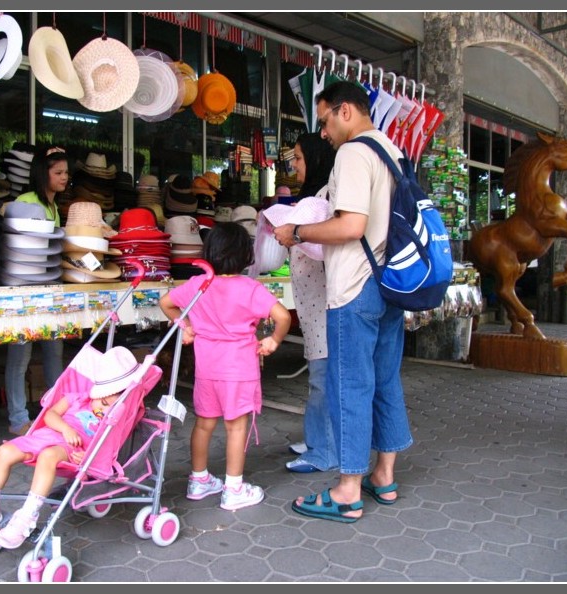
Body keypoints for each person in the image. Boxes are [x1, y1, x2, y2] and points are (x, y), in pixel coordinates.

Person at [273, 80, 413, 523]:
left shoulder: (354, 153)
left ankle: (348, 489)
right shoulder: (392, 149)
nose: (323, 131)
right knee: (385, 379)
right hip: (390, 283)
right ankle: (384, 477)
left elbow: (351, 225)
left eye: (325, 119)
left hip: (354, 286)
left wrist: (297, 232)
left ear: (346, 111)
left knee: (349, 384)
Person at [159, 222, 292, 511]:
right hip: (239, 371)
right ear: (246, 254)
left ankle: (198, 480)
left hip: (206, 369)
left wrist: (187, 326)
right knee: (235, 428)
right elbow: (283, 317)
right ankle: (233, 488)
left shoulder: (198, 284)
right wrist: (273, 341)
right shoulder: (250, 288)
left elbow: (165, 302)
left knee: (204, 424)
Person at [0, 346, 141, 549]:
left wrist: (90, 458)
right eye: (102, 401)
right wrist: (65, 428)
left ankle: (28, 514)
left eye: (109, 406)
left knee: (48, 455)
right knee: (4, 451)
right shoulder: (77, 397)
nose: (102, 408)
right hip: (47, 435)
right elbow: (50, 415)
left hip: (71, 449)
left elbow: (108, 444)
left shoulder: (112, 418)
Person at [283, 132, 339, 473]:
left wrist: (295, 233)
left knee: (323, 379)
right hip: (314, 307)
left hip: (326, 305)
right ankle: (315, 439)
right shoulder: (315, 196)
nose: (294, 165)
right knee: (318, 377)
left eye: (300, 158)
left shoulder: (325, 200)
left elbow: (323, 248)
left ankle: (323, 451)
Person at [4, 147, 69, 436]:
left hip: (47, 286)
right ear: (43, 174)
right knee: (20, 356)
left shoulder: (53, 207)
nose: (65, 177)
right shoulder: (26, 202)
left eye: (66, 172)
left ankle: (54, 412)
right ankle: (18, 418)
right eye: (58, 173)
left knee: (54, 350)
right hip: (23, 290)